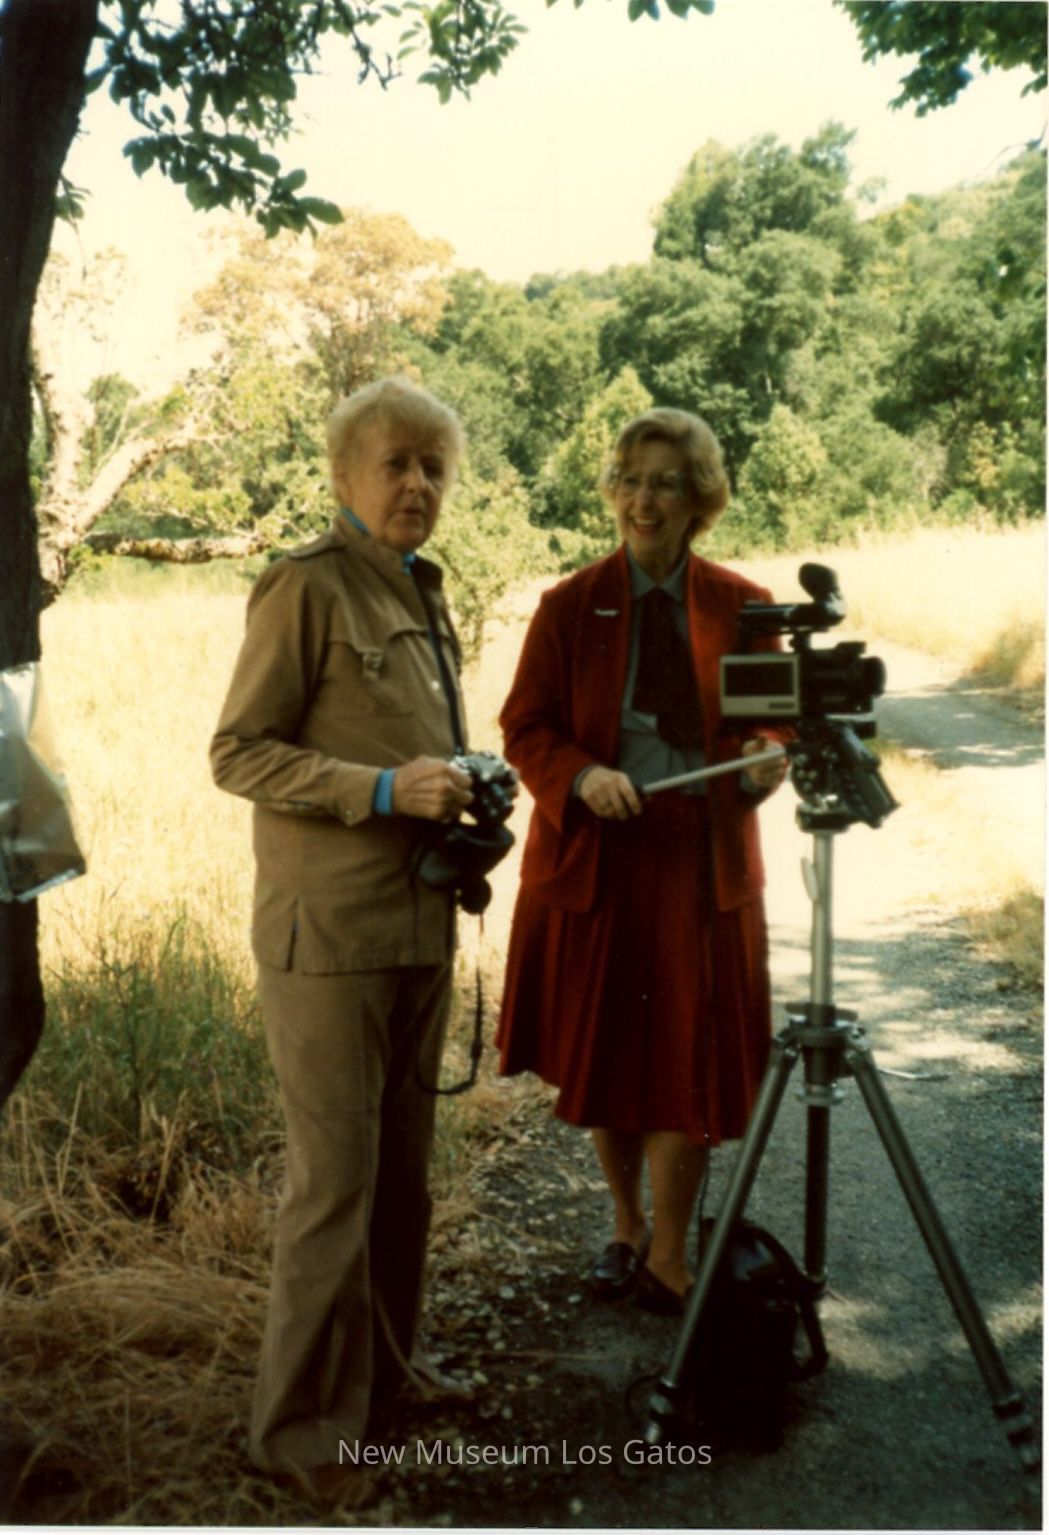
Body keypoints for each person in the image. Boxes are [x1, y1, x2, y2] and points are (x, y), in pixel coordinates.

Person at [211, 376, 476, 1509]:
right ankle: (301, 1433)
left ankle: (387, 1383)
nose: (416, 484)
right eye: (394, 464)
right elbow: (237, 751)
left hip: (417, 924)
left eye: (432, 466)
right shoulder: (304, 585)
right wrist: (378, 787)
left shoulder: (421, 587)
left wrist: (461, 794)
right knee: (335, 1187)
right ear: (344, 475)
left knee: (403, 1180)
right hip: (327, 937)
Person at [496, 406, 788, 1318]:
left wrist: (768, 755)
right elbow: (523, 728)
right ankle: (624, 1228)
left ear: (699, 498)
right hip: (598, 857)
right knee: (610, 1057)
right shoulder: (567, 605)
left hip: (699, 865)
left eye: (664, 482)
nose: (642, 499)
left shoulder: (745, 605)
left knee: (685, 1059)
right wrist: (581, 778)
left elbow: (772, 723)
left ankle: (669, 1253)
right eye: (629, 479)